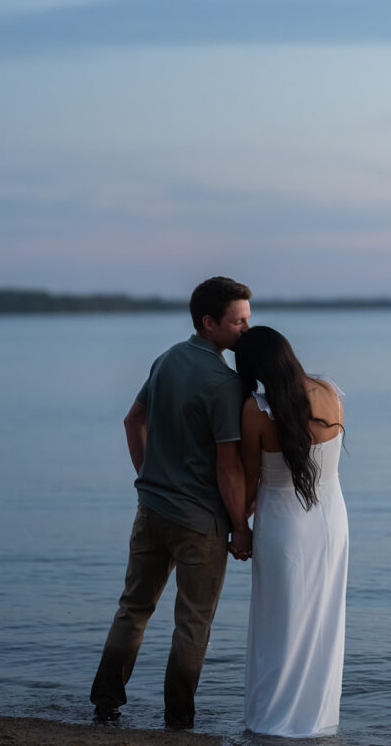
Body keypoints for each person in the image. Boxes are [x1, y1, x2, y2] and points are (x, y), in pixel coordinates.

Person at [90, 276, 253, 729]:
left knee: (133, 609)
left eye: (247, 320)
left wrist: (148, 477)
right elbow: (228, 467)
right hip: (200, 522)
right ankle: (179, 719)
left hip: (151, 509)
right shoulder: (224, 383)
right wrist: (241, 527)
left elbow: (133, 420)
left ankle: (105, 705)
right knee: (193, 623)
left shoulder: (166, 359)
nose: (246, 329)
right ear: (209, 322)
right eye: (238, 322)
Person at [235, 326, 348, 738]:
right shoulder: (331, 391)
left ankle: (274, 721)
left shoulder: (257, 410)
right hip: (332, 519)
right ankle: (317, 720)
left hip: (284, 524)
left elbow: (250, 480)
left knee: (279, 624)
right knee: (324, 621)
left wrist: (237, 524)